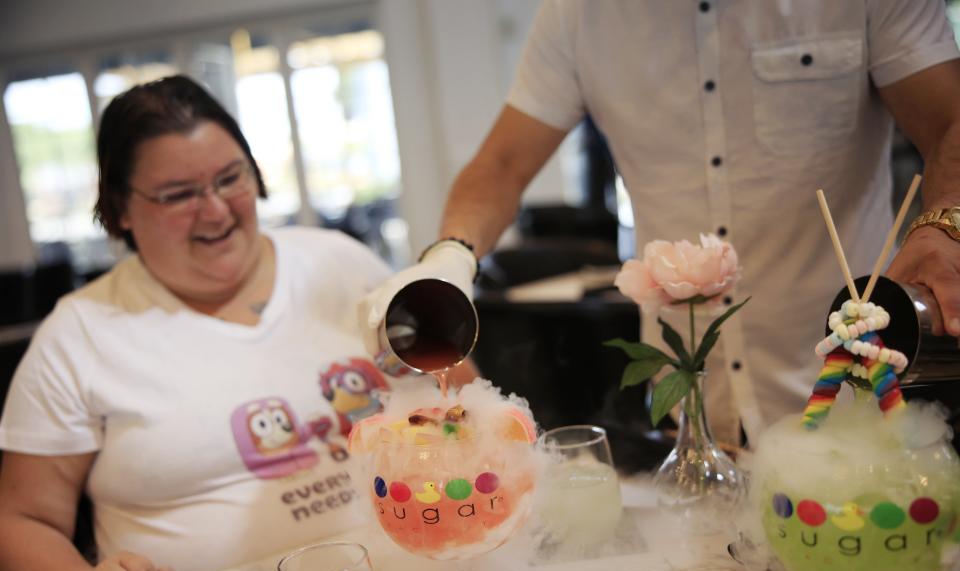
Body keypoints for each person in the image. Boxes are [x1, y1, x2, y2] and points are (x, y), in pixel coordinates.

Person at [362, 0, 960, 447]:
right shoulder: (578, 17)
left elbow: (948, 122)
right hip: (695, 412)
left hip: (858, 389)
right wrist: (448, 259)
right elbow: (501, 164)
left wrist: (943, 225)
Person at [0, 75, 451, 571]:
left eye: (229, 178)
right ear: (120, 208)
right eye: (179, 194)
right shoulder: (79, 335)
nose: (215, 211)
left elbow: (453, 388)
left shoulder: (339, 262)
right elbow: (20, 520)